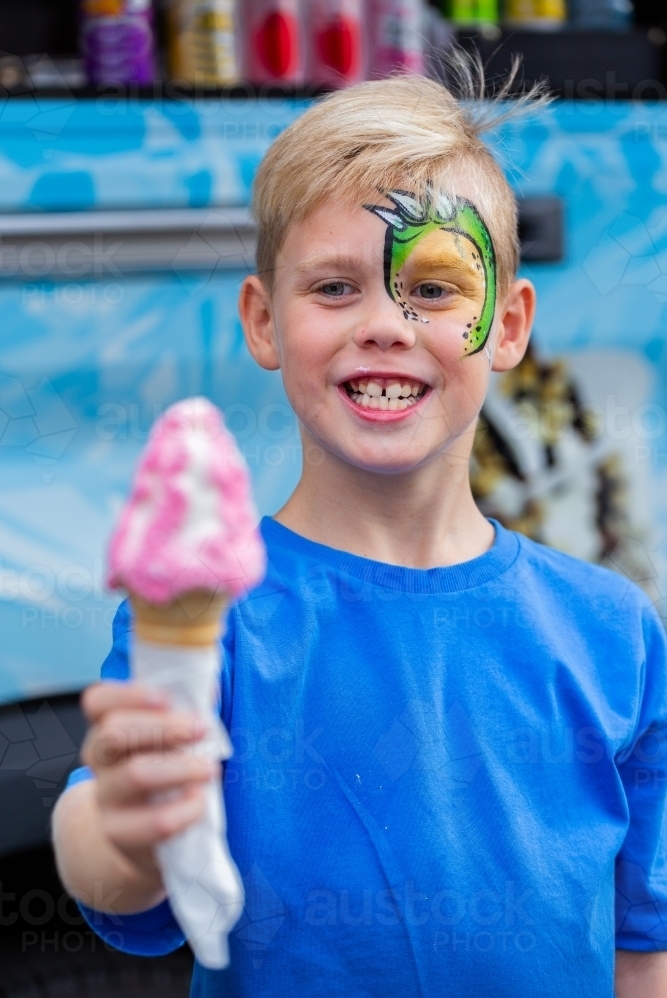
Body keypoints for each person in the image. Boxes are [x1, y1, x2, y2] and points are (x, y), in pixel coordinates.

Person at [52, 73, 667, 997]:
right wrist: (121, 820)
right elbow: (118, 878)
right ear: (264, 321)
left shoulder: (613, 631)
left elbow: (641, 945)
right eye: (334, 287)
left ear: (506, 325)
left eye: (430, 286)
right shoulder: (220, 623)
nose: (384, 325)